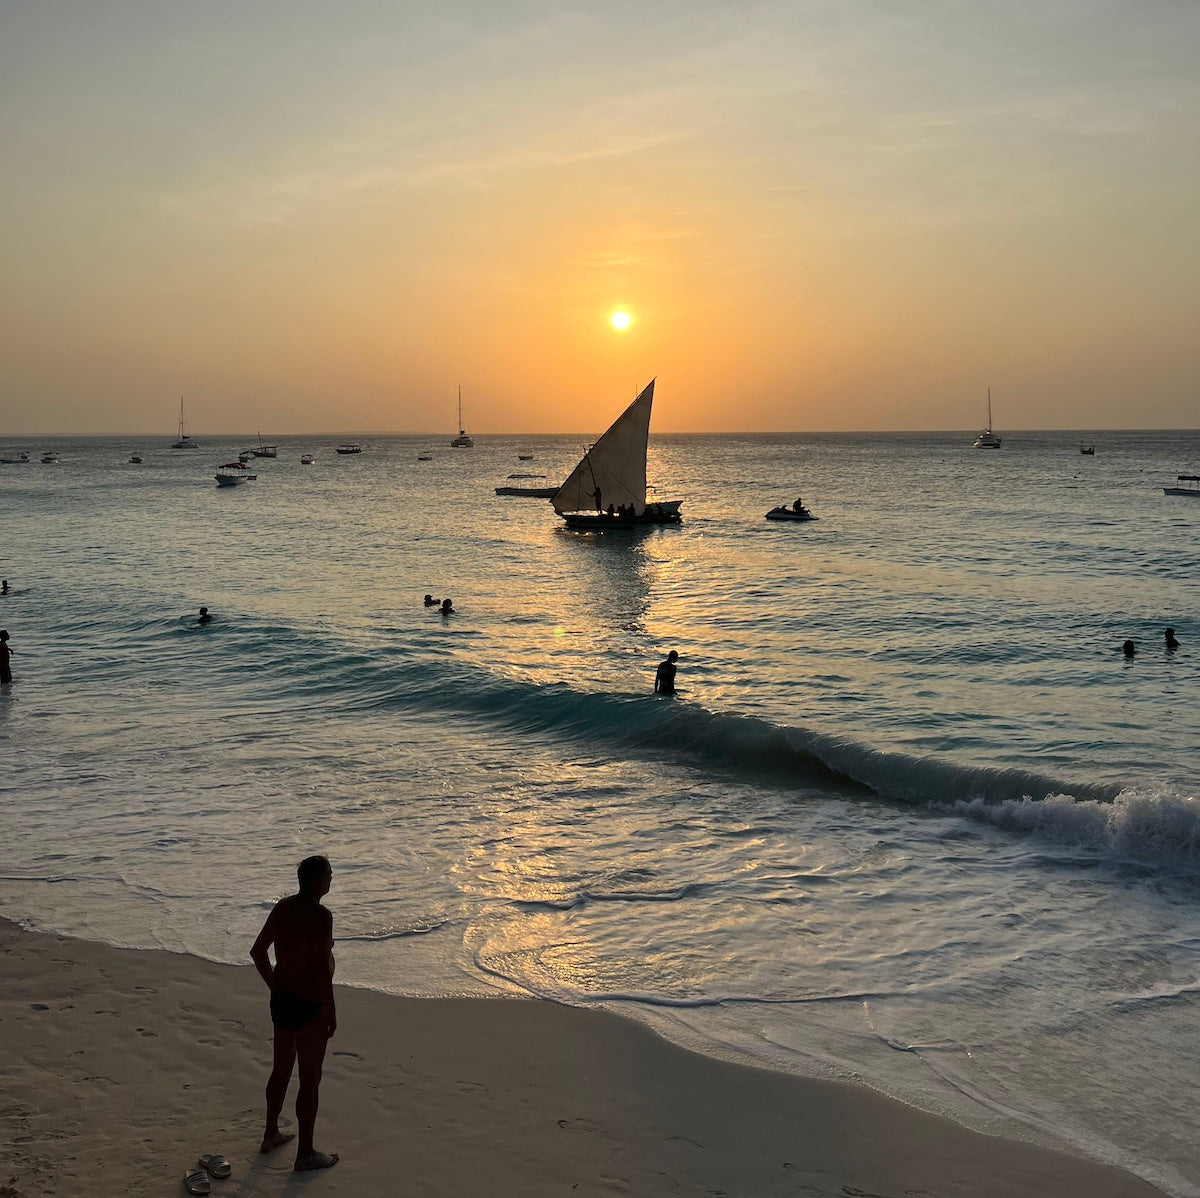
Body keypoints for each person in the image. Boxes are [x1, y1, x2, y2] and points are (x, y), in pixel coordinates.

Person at [251, 855, 339, 1173]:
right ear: (317, 881)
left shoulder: (283, 908)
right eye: (329, 874)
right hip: (311, 1005)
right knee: (310, 1078)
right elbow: (320, 969)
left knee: (281, 1069)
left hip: (283, 1001)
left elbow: (258, 951)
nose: (332, 878)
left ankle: (271, 1133)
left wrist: (274, 986)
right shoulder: (321, 915)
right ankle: (305, 1153)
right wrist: (330, 1008)